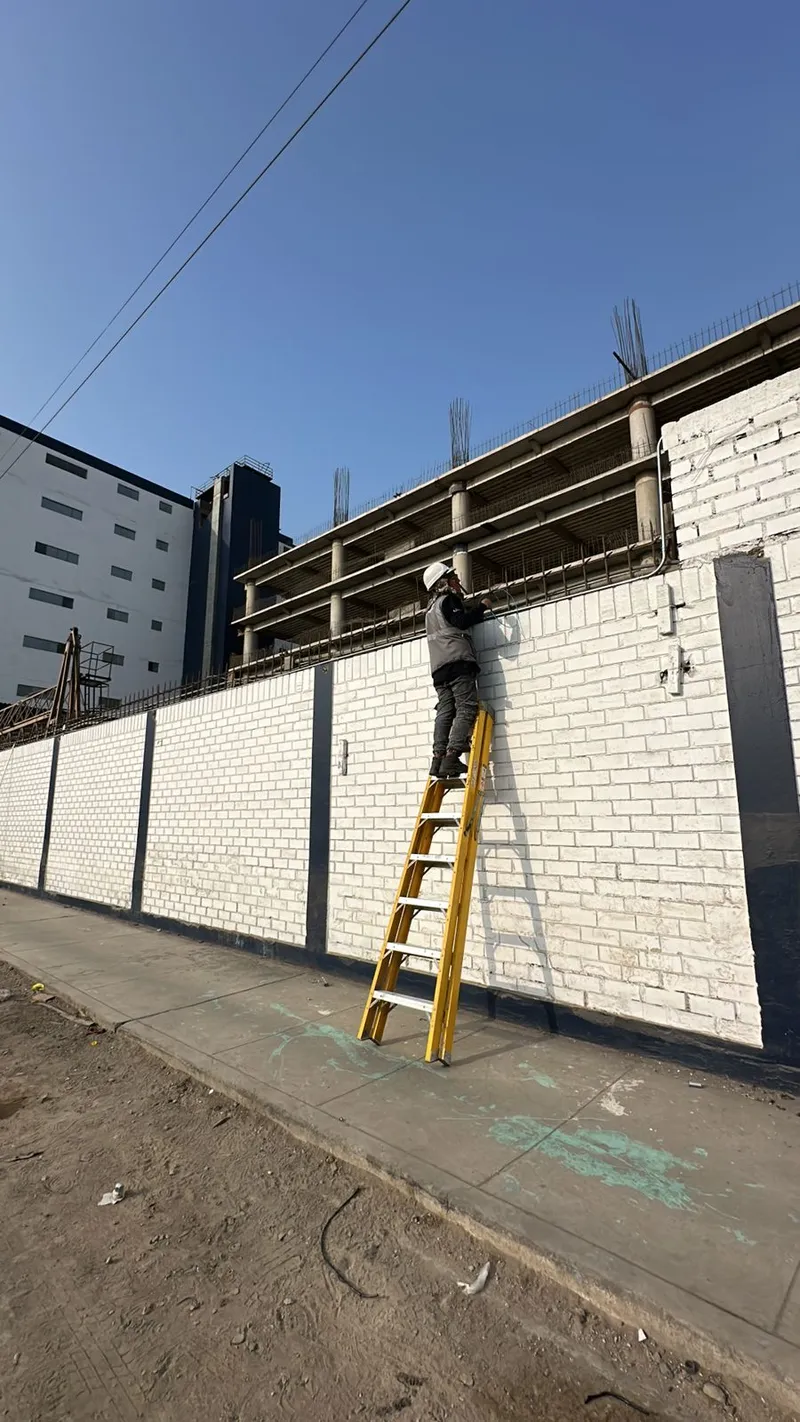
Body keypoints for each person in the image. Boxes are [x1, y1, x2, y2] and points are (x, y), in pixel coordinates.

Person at [422, 561, 491, 778]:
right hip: (457, 663)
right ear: (444, 582)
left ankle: (438, 760)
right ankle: (452, 757)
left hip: (439, 669)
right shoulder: (448, 600)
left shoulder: (429, 611)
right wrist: (482, 607)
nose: (459, 581)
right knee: (466, 708)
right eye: (454, 577)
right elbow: (460, 621)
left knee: (445, 711)